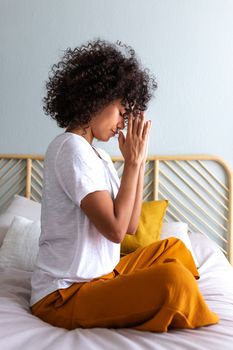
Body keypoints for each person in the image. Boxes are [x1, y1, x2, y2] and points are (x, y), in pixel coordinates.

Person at [30, 39, 218, 331]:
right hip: (64, 294)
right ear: (96, 97)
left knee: (175, 248)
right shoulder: (70, 148)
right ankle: (178, 302)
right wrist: (131, 164)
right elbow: (116, 231)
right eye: (122, 112)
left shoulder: (99, 157)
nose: (123, 124)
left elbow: (130, 225)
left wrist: (138, 161)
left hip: (102, 277)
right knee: (173, 280)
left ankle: (164, 299)